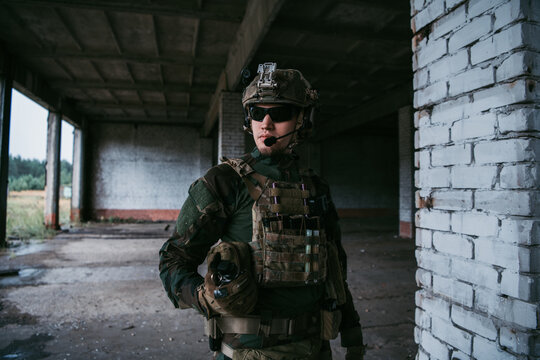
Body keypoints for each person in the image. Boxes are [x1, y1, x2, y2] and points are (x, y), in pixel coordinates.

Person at [159, 63, 364, 360]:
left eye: (279, 114)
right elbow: (173, 259)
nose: (266, 124)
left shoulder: (316, 187)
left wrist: (351, 332)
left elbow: (335, 267)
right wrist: (207, 296)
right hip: (249, 353)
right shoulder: (224, 182)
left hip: (314, 348)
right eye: (257, 113)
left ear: (302, 119)